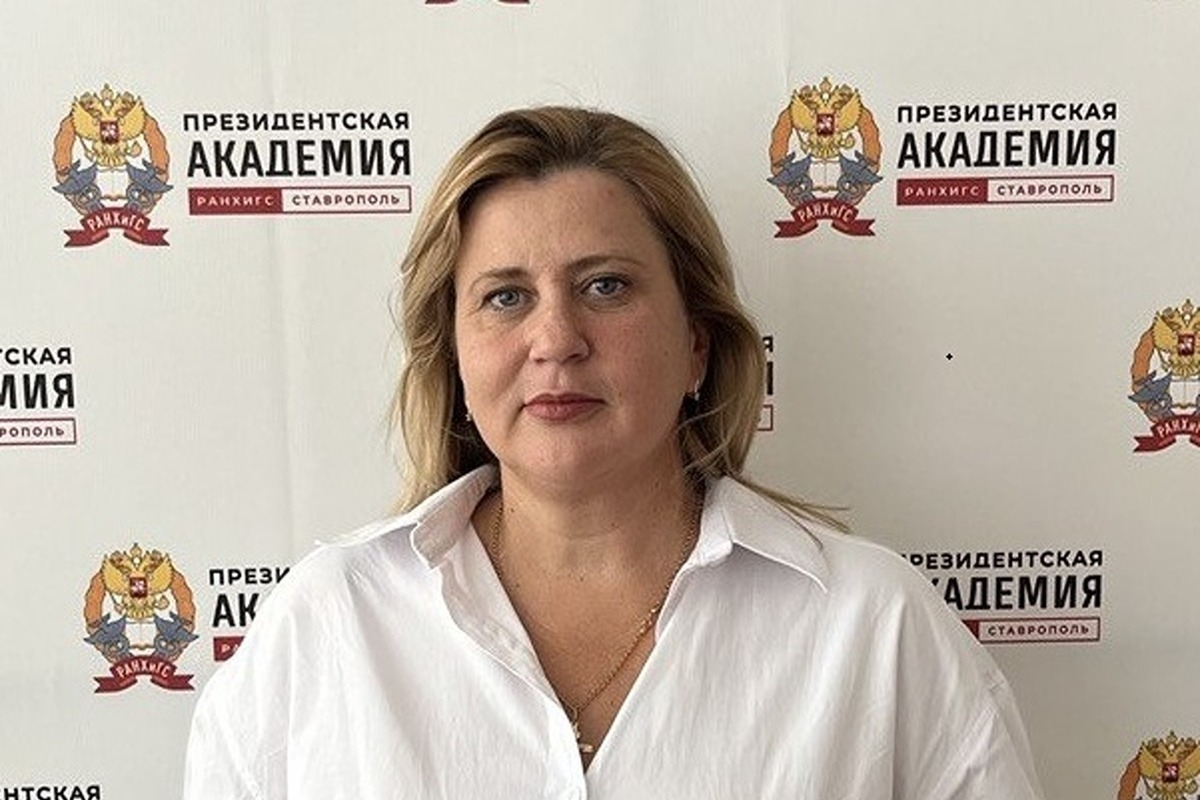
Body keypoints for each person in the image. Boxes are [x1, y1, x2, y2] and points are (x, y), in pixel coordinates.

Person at [183, 106, 1046, 799]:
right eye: (505, 296)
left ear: (696, 343)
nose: (555, 339)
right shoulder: (327, 626)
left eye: (606, 286)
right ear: (454, 355)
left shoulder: (874, 628)